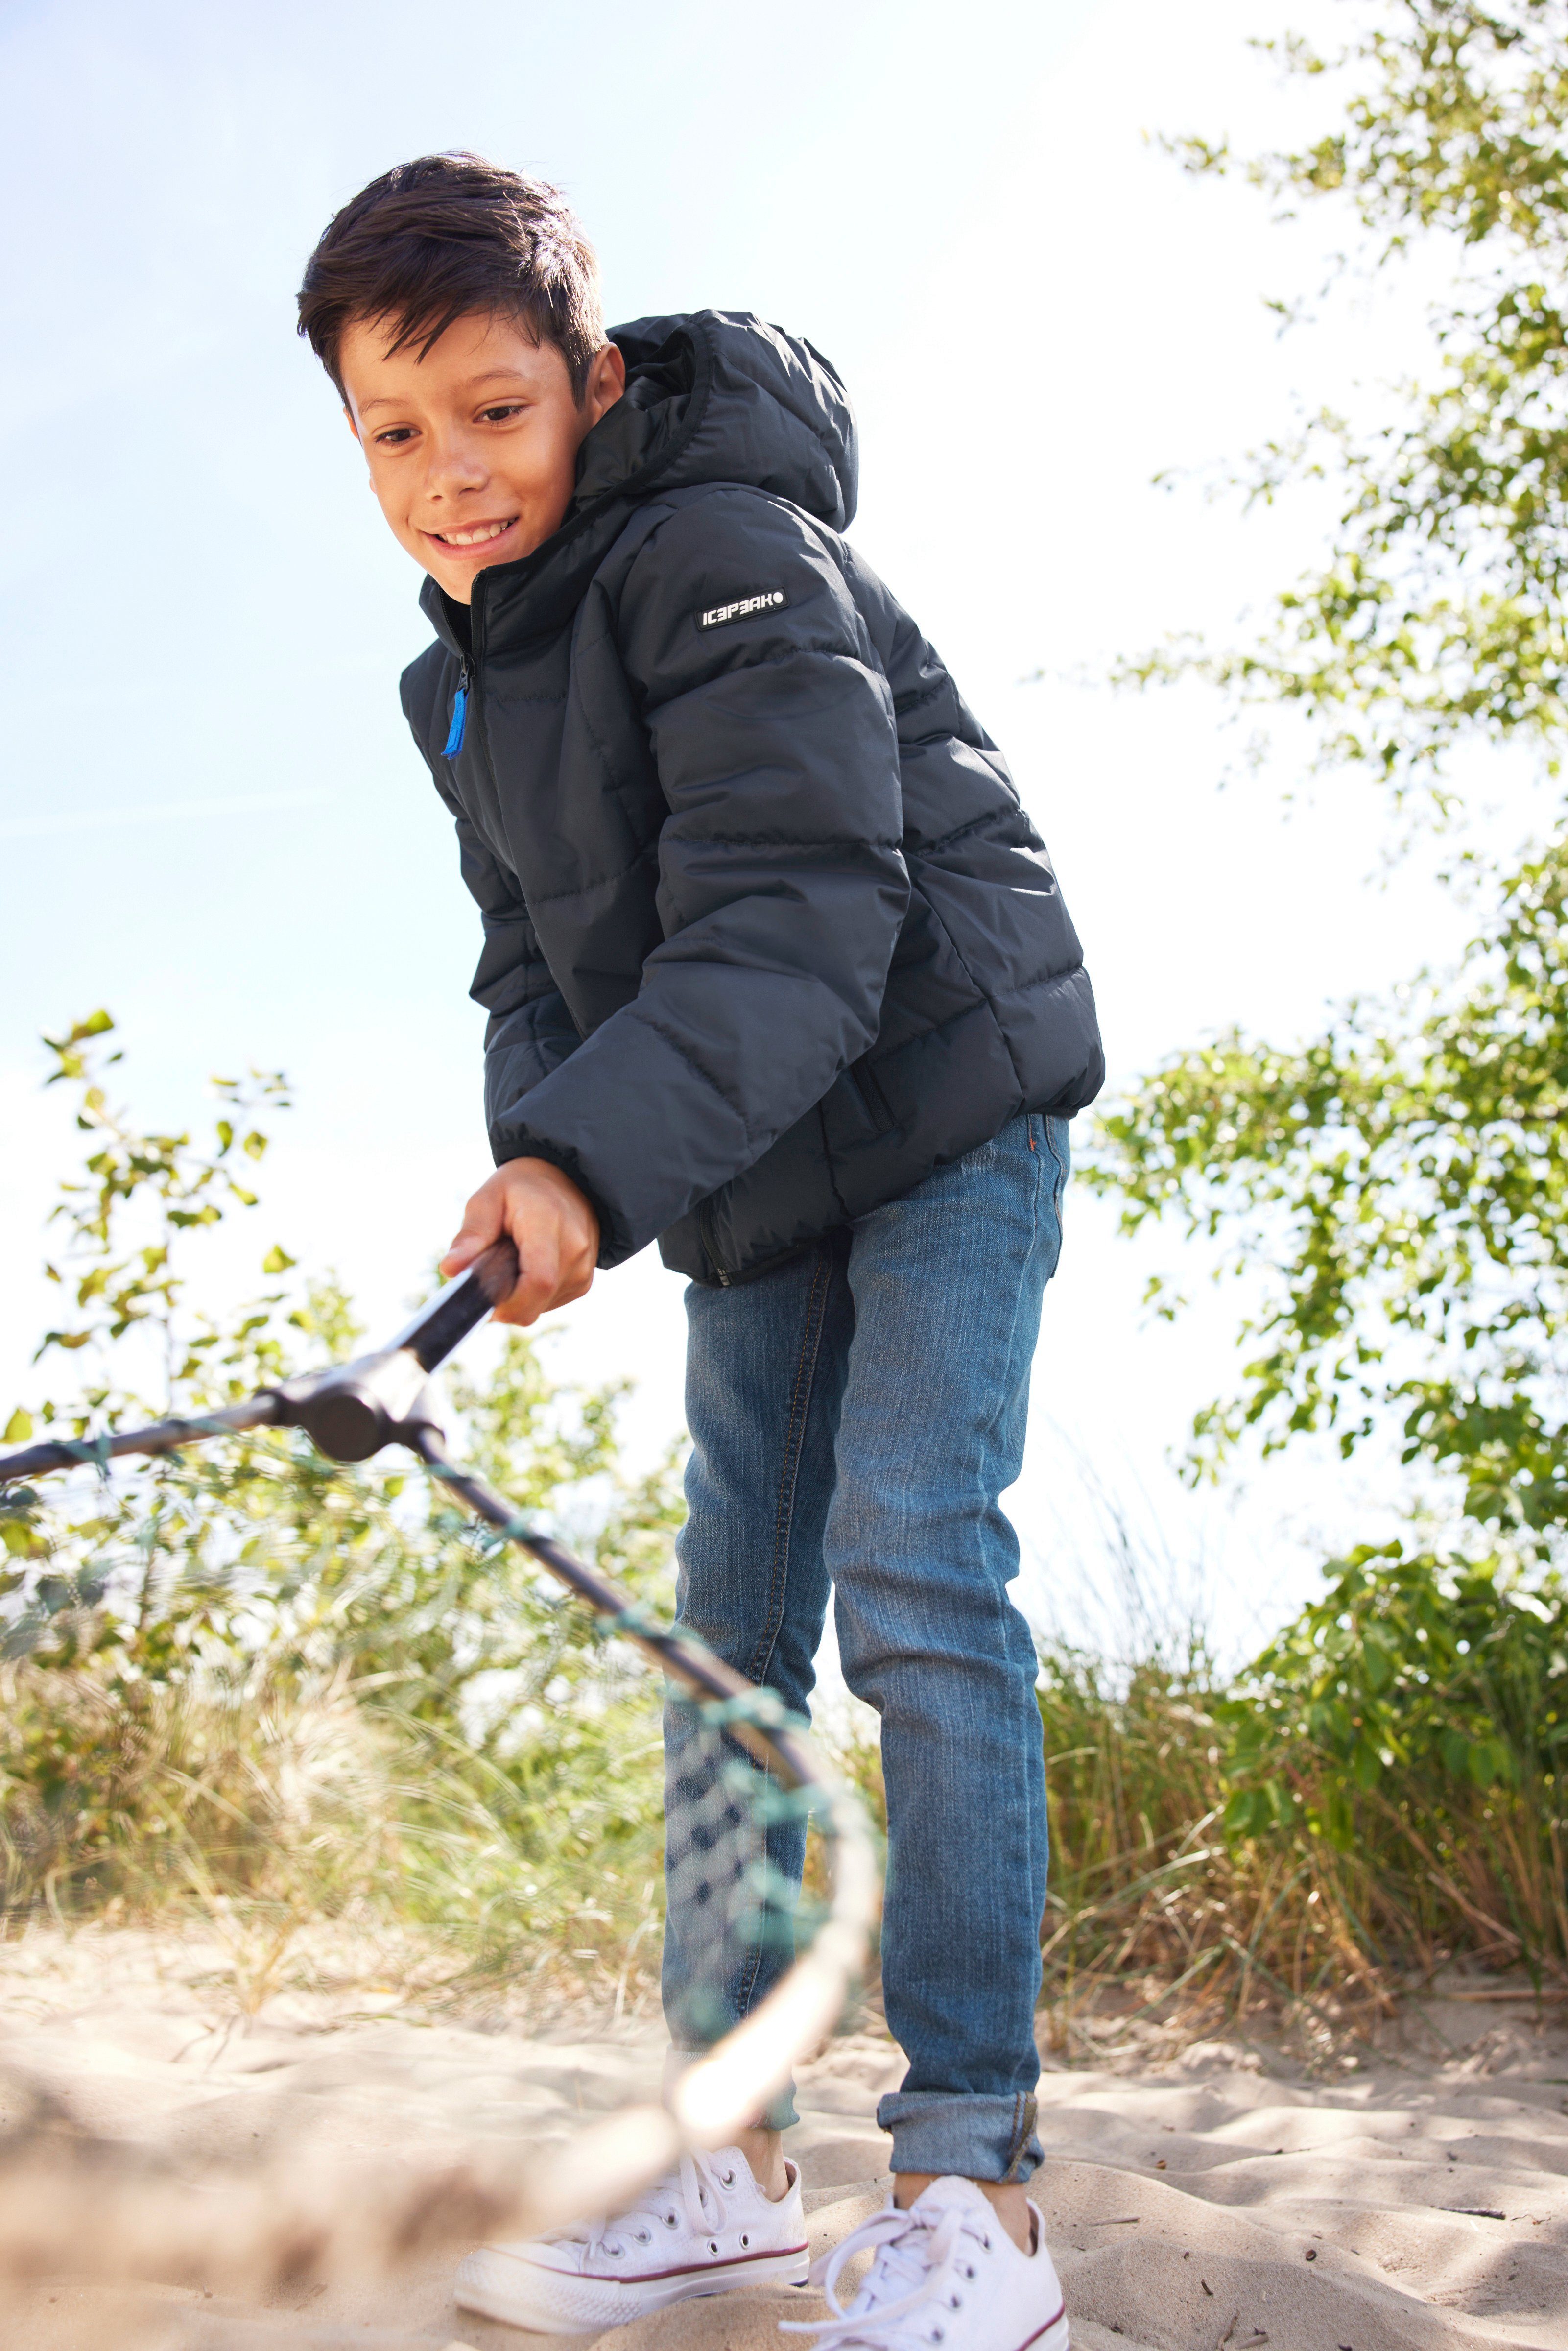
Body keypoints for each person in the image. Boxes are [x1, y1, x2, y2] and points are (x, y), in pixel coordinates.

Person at [297, 152, 1102, 2349]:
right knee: (721, 1637)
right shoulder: (456, 682)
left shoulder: (728, 549)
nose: (450, 474)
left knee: (914, 1572)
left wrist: (594, 1155)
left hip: (941, 1099)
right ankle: (726, 2165)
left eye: (491, 411)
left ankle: (978, 2193)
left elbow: (808, 914)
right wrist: (538, 1164)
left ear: (593, 377)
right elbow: (530, 973)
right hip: (752, 1162)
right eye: (393, 432)